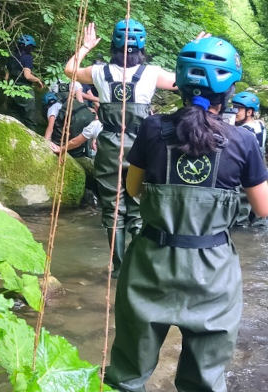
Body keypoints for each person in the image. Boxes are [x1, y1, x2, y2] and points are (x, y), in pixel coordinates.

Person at [104, 36, 268, 392]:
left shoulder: (151, 130)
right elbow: (264, 210)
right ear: (230, 90)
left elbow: (132, 189)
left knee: (123, 381)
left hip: (150, 265)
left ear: (178, 83)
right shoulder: (243, 141)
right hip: (211, 272)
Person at [64, 19, 177, 277]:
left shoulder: (98, 71)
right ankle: (137, 268)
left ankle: (118, 268)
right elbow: (182, 81)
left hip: (109, 148)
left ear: (114, 43)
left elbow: (70, 70)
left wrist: (85, 46)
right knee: (138, 206)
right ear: (143, 45)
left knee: (113, 207)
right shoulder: (152, 73)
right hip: (142, 147)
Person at [232, 91, 268, 227]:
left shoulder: (244, 130)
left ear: (249, 112)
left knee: (243, 197)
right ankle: (258, 224)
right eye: (234, 107)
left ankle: (241, 228)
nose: (234, 111)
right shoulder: (260, 125)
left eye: (239, 108)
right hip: (259, 164)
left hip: (246, 165)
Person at [41, 91, 101, 159]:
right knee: (83, 138)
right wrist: (94, 139)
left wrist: (45, 142)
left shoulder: (52, 108)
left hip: (75, 121)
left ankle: (70, 153)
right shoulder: (69, 102)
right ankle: (83, 154)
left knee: (74, 137)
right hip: (88, 118)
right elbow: (93, 113)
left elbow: (50, 128)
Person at [5, 34, 44, 131]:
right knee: (30, 118)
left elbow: (6, 77)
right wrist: (38, 80)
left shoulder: (11, 56)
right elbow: (27, 76)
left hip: (11, 88)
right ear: (29, 46)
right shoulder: (27, 57)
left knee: (14, 116)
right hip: (24, 90)